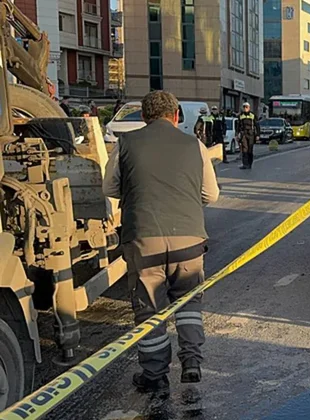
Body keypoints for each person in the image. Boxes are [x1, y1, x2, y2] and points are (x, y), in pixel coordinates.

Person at [102, 90, 220, 393]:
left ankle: (154, 374)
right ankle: (191, 362)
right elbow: (211, 195)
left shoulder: (125, 144)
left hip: (143, 238)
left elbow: (110, 188)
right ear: (177, 116)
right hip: (189, 238)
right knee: (188, 301)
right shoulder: (195, 145)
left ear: (143, 116)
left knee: (149, 306)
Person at [236, 102, 257, 169]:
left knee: (250, 150)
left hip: (251, 134)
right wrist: (237, 134)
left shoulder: (253, 115)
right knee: (244, 149)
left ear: (249, 108)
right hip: (244, 134)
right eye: (244, 107)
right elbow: (238, 126)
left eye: (246, 107)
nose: (245, 108)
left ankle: (250, 164)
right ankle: (245, 164)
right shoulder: (240, 116)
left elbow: (257, 125)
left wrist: (258, 135)